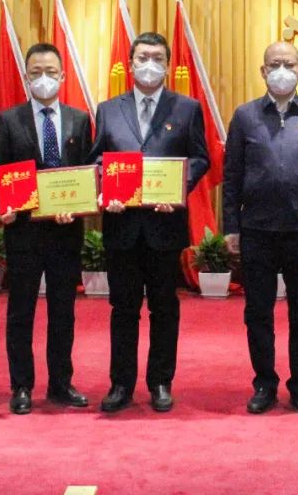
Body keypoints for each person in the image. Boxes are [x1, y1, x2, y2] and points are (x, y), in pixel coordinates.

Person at [87, 32, 210, 413]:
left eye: (157, 58)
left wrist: (178, 188)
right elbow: (97, 160)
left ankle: (160, 382)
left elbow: (201, 158)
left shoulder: (187, 108)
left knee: (164, 308)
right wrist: (106, 187)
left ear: (168, 65)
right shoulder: (109, 109)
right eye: (143, 57)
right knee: (123, 308)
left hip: (164, 226)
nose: (149, 64)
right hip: (122, 226)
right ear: (130, 63)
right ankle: (120, 384)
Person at [223, 41, 298, 415]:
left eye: (289, 64)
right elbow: (231, 176)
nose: (281, 71)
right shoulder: (245, 116)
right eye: (274, 64)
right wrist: (231, 226)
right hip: (256, 230)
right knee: (258, 313)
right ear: (263, 71)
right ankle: (264, 383)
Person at [0, 43, 93, 415]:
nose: (44, 78)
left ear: (63, 76)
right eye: (36, 72)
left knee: (63, 311)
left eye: (50, 71)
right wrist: (1, 204)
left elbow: (86, 174)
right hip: (23, 232)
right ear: (26, 76)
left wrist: (77, 207)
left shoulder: (80, 119)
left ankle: (61, 383)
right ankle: (21, 386)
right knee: (21, 310)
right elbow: (0, 175)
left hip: (66, 232)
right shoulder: (9, 119)